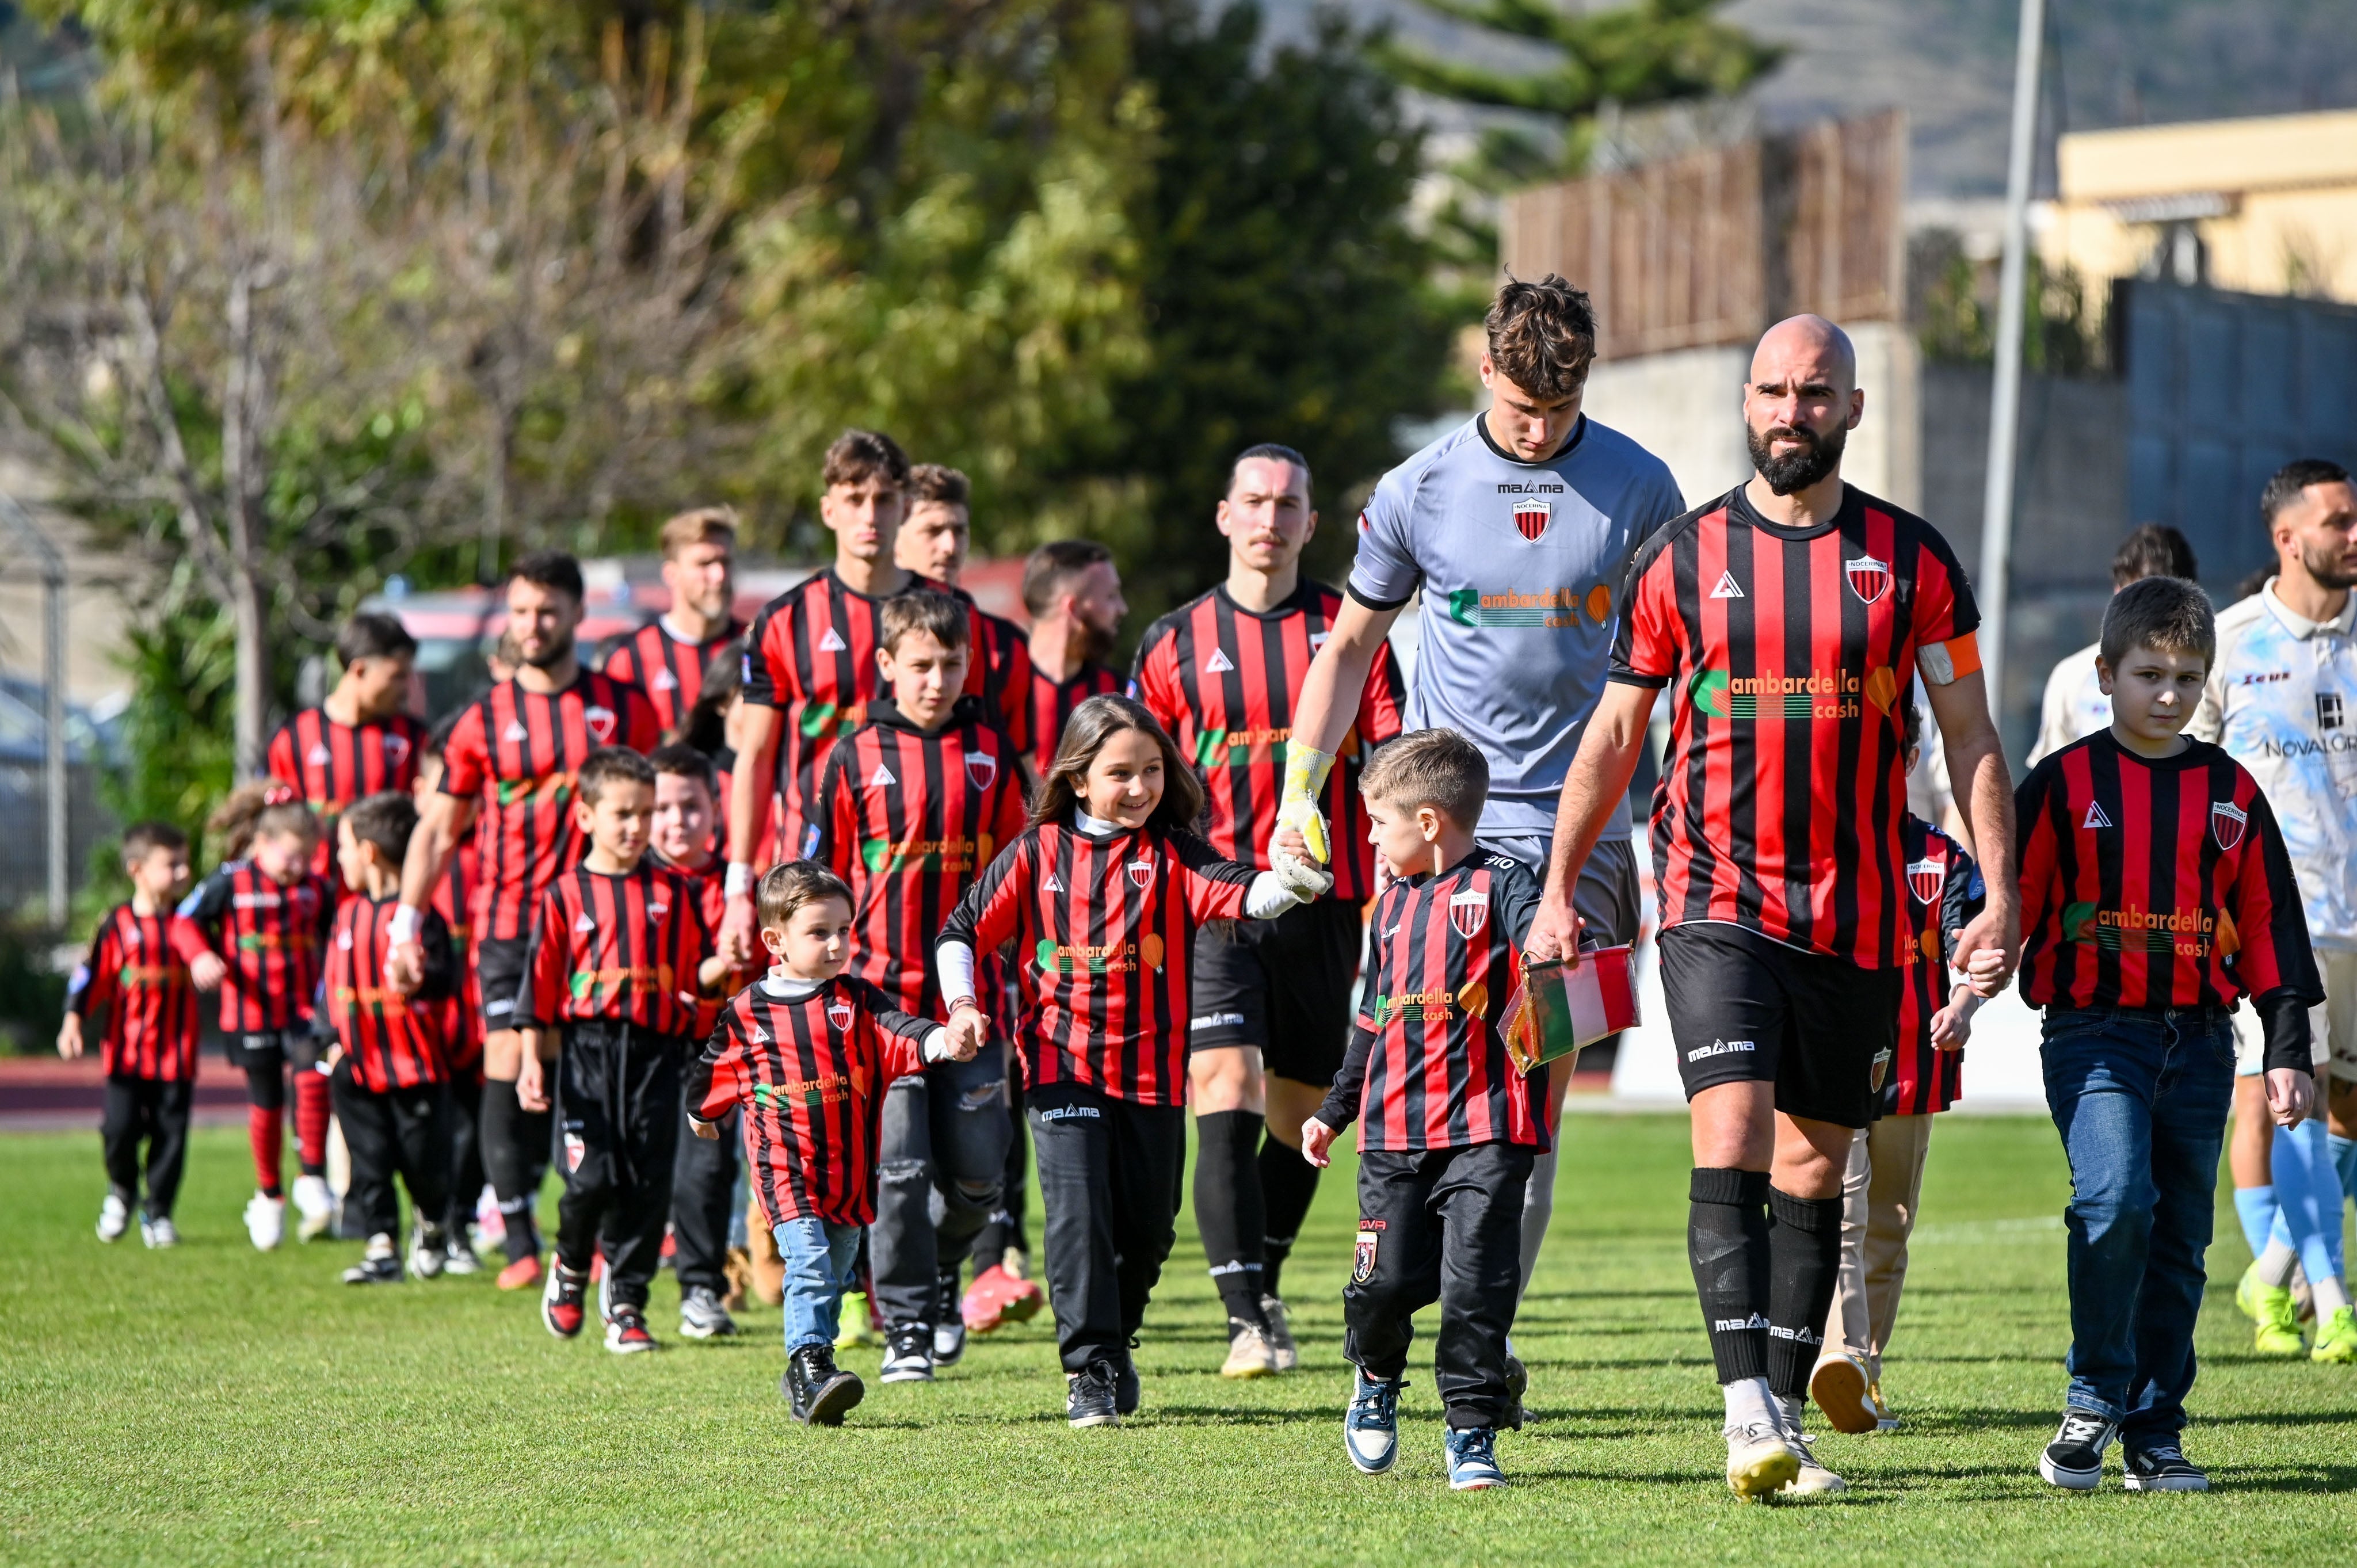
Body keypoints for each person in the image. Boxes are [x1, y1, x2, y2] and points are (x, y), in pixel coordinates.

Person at [1532, 314, 2019, 1500]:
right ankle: (1743, 1408)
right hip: (1712, 899)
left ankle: (1786, 1415)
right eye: (1770, 391)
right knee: (1732, 1131)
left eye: (1814, 393)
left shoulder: (1911, 563)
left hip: (1858, 918)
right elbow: (1612, 733)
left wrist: (1998, 891)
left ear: (1849, 409)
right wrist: (1557, 888)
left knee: (1814, 1169)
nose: (1790, 412)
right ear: (1744, 404)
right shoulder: (1679, 558)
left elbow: (1968, 737)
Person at [1276, 274, 1687, 1332]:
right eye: (1522, 409)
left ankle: (1481, 1339)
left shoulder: (1643, 488)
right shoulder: (1418, 487)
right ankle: (1400, 1323)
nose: (1542, 431)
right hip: (1439, 842)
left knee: (1530, 1110)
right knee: (1416, 1087)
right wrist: (1297, 795)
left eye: (1562, 408)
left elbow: (1685, 670)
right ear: (1484, 371)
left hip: (1583, 847)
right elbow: (1348, 648)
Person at [935, 697, 1329, 1426]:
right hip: (1060, 1069)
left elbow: (1248, 892)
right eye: (1122, 773)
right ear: (1079, 779)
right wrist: (962, 1006)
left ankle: (1115, 1343)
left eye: (1153, 770)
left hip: (1150, 1078)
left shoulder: (1173, 851)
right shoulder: (1035, 853)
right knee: (1079, 1218)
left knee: (1149, 1230)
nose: (1142, 787)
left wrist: (1295, 879)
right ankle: (1089, 1368)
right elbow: (959, 933)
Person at [2015, 575, 2322, 1492]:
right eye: (2150, 673)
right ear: (2104, 674)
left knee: (2183, 1235)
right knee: (2115, 1204)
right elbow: (2013, 905)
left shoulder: (2229, 792)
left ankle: (2156, 1427)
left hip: (2199, 1039)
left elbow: (2268, 923)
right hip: (2093, 1032)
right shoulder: (2063, 784)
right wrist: (1965, 988)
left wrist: (2287, 1050)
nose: (2169, 694)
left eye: (2190, 678)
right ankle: (2093, 1397)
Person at [1132, 442, 1406, 1376]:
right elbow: (1142, 784)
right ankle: (1245, 1316)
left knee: (1299, 1113)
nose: (1270, 518)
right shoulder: (1171, 644)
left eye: (1289, 504)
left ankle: (1267, 1278)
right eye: (1254, 501)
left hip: (1323, 908)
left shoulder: (1350, 631)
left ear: (1311, 525)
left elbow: (1389, 764)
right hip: (1215, 903)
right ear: (1224, 516)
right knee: (1223, 1088)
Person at [387, 550, 663, 1291]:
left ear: (576, 614)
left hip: (603, 923)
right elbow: (440, 831)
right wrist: (404, 922)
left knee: (600, 1076)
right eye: (520, 612)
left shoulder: (627, 708)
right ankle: (516, 1239)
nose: (533, 625)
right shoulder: (482, 720)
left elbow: (655, 816)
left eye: (547, 611)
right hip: (509, 924)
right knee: (509, 1068)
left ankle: (602, 1227)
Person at [1299, 729, 1543, 1491]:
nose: (1369, 837)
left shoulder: (1504, 885)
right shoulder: (1389, 907)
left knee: (1476, 1287)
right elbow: (1370, 1021)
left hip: (1488, 1128)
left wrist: (1553, 938)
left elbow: (1546, 936)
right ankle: (1375, 1377)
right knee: (1382, 1285)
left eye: (1377, 822)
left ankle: (1471, 1431)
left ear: (1429, 821)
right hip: (1392, 1135)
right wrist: (1334, 1110)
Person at [810, 592, 1026, 1382]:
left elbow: (1021, 878)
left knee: (978, 1175)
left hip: (972, 1003)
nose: (937, 680)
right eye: (921, 665)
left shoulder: (994, 755)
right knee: (896, 1170)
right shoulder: (847, 758)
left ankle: (939, 1272)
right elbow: (813, 878)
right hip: (880, 1003)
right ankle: (904, 1325)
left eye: (952, 664)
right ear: (887, 665)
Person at [686, 862, 973, 1424]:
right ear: (775, 940)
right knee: (813, 1266)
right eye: (820, 932)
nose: (837, 943)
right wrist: (704, 1114)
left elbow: (903, 1032)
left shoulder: (857, 1002)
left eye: (845, 929)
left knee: (837, 1271)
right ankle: (810, 1365)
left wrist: (945, 1039)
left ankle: (814, 1381)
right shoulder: (749, 1011)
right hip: (783, 1168)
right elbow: (712, 1068)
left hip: (849, 1174)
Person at [2188, 458, 2357, 1363]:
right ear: (2287, 538)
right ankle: (2317, 1297)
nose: (2355, 535)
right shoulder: (2232, 643)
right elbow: (2189, 782)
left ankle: (2276, 1269)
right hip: (2275, 931)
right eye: (2339, 521)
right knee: (2289, 1103)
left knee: (2346, 1119)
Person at [724, 430, 997, 937]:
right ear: (829, 510)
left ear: (906, 506)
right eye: (854, 500)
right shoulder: (784, 620)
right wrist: (738, 888)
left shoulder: (953, 613)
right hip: (809, 878)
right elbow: (757, 756)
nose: (869, 516)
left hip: (927, 876)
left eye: (884, 499)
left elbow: (983, 745)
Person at [960, 537, 1131, 1337]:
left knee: (1052, 1085)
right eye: (1109, 593)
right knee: (990, 1080)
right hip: (995, 914)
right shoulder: (991, 681)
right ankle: (989, 1258)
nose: (1122, 608)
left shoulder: (1110, 693)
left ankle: (1023, 1256)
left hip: (1089, 929)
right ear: (1074, 604)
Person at [1807, 694, 1985, 1435]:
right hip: (1832, 1064)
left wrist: (1965, 1004)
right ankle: (1833, 1359)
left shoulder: (1940, 858)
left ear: (1908, 762)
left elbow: (1973, 945)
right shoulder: (1811, 851)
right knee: (1840, 1215)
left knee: (1889, 1223)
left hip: (1916, 1062)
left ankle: (1862, 1375)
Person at [517, 746, 731, 1353]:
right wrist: (533, 1060)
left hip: (658, 1055)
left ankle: (628, 1304)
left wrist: (732, 961)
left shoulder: (671, 891)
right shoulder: (563, 895)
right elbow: (539, 984)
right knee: (589, 1177)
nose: (638, 827)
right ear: (585, 817)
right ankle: (569, 1263)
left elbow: (694, 972)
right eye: (623, 814)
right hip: (588, 1054)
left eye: (646, 813)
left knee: (645, 1181)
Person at [173, 785, 337, 1251]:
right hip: (250, 1011)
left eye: (307, 856)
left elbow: (337, 933)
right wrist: (200, 955)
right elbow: (184, 921)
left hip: (304, 1010)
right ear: (262, 844)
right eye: (290, 855)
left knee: (313, 1079)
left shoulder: (314, 889)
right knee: (266, 1101)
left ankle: (311, 1175)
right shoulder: (231, 881)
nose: (299, 866)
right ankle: (269, 1195)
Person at [318, 792, 459, 1286]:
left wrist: (421, 977)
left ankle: (435, 1220)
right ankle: (381, 1246)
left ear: (369, 852)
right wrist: (326, 1038)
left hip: (414, 1066)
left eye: (343, 846)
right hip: (356, 1067)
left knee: (422, 1162)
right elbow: (330, 984)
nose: (338, 858)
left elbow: (446, 979)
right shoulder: (346, 914)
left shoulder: (420, 918)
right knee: (369, 1160)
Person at [649, 742, 757, 1341]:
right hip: (640, 1050)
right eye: (662, 807)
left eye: (691, 806)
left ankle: (700, 1286)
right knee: (631, 1169)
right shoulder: (632, 884)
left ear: (716, 811)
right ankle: (624, 1278)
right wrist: (709, 970)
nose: (676, 820)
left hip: (715, 1053)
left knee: (707, 1168)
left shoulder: (736, 888)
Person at [59, 822, 199, 1249]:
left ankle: (158, 1212)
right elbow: (91, 977)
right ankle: (122, 1188)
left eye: (185, 863)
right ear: (137, 869)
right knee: (119, 1129)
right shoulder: (117, 924)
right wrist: (73, 1019)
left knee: (170, 1137)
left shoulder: (189, 921)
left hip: (177, 1054)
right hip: (126, 1055)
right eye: (171, 864)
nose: (183, 873)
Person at [266, 611, 426, 884]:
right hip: (316, 900)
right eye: (397, 676)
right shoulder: (292, 737)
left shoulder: (413, 738)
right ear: (359, 670)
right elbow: (275, 825)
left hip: (388, 899)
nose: (406, 690)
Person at [411, 718, 488, 1274]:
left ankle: (462, 1219)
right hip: (427, 1019)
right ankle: (429, 1221)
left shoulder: (491, 852)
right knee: (428, 1126)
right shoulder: (413, 860)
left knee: (481, 1123)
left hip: (486, 1012)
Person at [2028, 525, 2200, 764]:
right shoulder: (2072, 675)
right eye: (2135, 597)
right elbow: (2053, 776)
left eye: (2160, 600)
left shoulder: (2217, 672)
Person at [896, 463, 1033, 756]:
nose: (950, 546)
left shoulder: (1006, 645)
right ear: (895, 538)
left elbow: (1021, 762)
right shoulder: (861, 624)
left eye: (959, 531)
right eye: (933, 531)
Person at [603, 508, 745, 737]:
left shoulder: (759, 646)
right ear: (671, 574)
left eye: (725, 562)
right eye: (705, 564)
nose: (719, 576)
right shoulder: (630, 658)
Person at [1019, 539, 1127, 778]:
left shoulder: (1119, 693)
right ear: (1074, 609)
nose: (1122, 608)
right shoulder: (1001, 690)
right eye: (1111, 596)